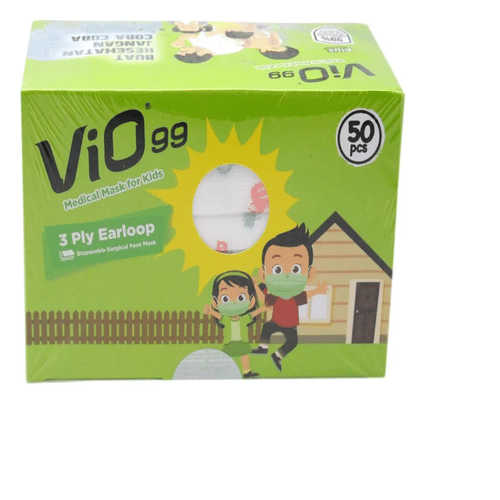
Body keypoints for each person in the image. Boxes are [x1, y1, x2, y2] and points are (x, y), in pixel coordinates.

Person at [252, 224, 328, 371]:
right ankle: (263, 347)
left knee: (292, 342)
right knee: (267, 327)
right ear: (264, 274)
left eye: (295, 269)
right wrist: (256, 285)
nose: (286, 275)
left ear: (309, 274)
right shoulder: (275, 296)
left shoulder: (296, 297)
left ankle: (277, 356)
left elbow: (307, 295)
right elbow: (263, 297)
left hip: (290, 326)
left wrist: (318, 290)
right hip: (276, 322)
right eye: (277, 269)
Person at [204, 270, 269, 378]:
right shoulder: (226, 319)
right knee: (227, 357)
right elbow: (218, 316)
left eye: (241, 298)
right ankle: (223, 371)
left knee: (244, 356)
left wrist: (262, 309)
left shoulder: (243, 318)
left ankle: (246, 371)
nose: (234, 302)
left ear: (251, 301)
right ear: (215, 303)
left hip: (241, 342)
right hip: (229, 343)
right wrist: (210, 311)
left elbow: (253, 314)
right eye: (225, 299)